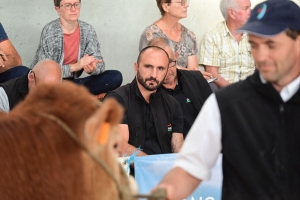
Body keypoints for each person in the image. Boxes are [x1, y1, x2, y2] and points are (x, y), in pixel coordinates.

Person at [154, 1, 300, 199]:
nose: (261, 56)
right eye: (254, 45)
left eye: (271, 45)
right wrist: (163, 194)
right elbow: (188, 170)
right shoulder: (225, 104)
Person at [30, 0, 122, 98]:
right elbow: (44, 72)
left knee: (115, 77)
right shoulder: (49, 31)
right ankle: (83, 96)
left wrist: (93, 68)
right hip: (52, 82)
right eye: (68, 5)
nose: (73, 9)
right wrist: (75, 67)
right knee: (42, 83)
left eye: (76, 4)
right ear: (58, 9)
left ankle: (72, 95)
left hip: (73, 83)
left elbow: (99, 64)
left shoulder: (88, 30)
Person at [105, 46, 184, 156]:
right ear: (136, 67)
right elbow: (118, 146)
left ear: (166, 72)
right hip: (131, 171)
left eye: (160, 68)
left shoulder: (172, 104)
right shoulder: (117, 99)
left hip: (166, 170)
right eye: (148, 66)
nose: (154, 75)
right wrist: (150, 164)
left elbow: (178, 148)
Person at [149, 37, 212, 138]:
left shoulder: (196, 79)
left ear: (176, 56)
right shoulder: (148, 90)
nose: (167, 71)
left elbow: (215, 115)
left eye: (169, 62)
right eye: (160, 66)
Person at [139, 0, 212, 80]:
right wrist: (192, 73)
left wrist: (194, 74)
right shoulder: (152, 34)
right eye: (182, 2)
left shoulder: (189, 35)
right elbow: (157, 66)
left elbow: (193, 69)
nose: (187, 5)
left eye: (186, 1)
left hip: (184, 85)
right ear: (166, 7)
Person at [199, 0, 255, 90]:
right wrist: (234, 91)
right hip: (226, 91)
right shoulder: (212, 36)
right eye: (246, 8)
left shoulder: (255, 35)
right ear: (232, 13)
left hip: (253, 88)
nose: (251, 12)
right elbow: (212, 73)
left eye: (250, 7)